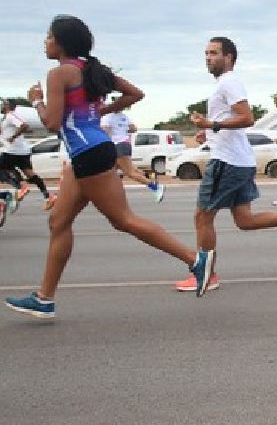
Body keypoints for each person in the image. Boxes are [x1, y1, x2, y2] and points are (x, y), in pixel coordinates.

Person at [5, 16, 208, 319]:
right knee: (58, 223)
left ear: (61, 42)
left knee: (123, 220)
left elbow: (50, 122)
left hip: (88, 154)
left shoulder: (59, 73)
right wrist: (102, 109)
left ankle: (196, 260)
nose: (44, 42)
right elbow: (135, 94)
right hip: (90, 152)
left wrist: (36, 101)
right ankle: (44, 298)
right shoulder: (93, 70)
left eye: (48, 37)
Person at [176, 36, 277, 295]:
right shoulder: (224, 85)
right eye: (206, 53)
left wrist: (212, 125)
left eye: (214, 53)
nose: (208, 58)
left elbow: (247, 118)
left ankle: (206, 274)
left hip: (227, 161)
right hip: (238, 160)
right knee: (245, 221)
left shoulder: (229, 82)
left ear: (229, 58)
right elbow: (229, 120)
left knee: (202, 216)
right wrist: (209, 131)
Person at [100, 102, 165, 203]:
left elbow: (105, 131)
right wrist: (122, 129)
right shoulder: (124, 117)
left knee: (129, 172)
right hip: (126, 144)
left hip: (117, 145)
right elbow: (134, 129)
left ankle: (155, 187)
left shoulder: (107, 117)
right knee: (111, 170)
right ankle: (150, 177)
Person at [0, 98, 54, 209]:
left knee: (3, 167)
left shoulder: (10, 116)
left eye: (2, 105)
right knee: (30, 174)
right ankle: (48, 196)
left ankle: (20, 187)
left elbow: (24, 126)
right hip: (21, 151)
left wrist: (13, 137)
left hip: (13, 150)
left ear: (7, 106)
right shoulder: (5, 118)